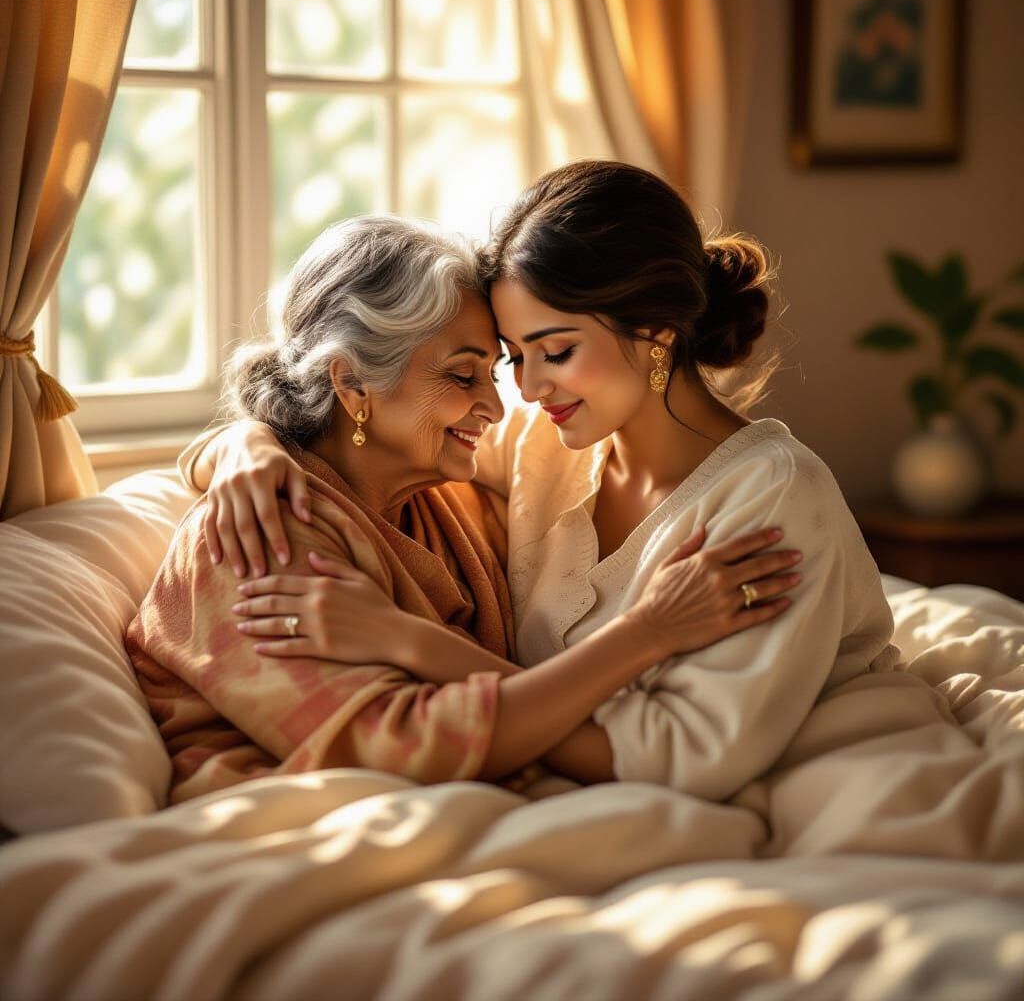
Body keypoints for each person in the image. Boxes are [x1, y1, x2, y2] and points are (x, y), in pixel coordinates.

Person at [128, 213, 799, 804]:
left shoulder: (451, 496)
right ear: (353, 384)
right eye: (461, 374)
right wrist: (650, 629)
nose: (500, 407)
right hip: (297, 814)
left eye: (494, 371)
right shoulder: (255, 537)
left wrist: (243, 440)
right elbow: (408, 747)